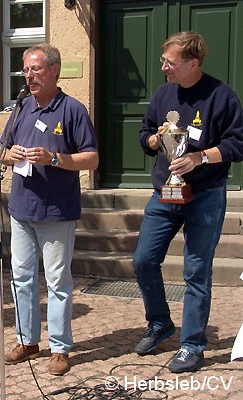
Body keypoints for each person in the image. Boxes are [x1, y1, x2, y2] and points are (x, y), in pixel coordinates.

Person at [133, 31, 243, 373]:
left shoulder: (221, 96)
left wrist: (200, 159)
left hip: (205, 195)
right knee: (143, 260)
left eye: (170, 62)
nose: (164, 67)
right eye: (164, 61)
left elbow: (237, 145)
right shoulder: (163, 93)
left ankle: (192, 345)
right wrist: (155, 139)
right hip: (165, 192)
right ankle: (160, 323)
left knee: (196, 270)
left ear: (193, 63)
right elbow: (144, 134)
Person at [0, 43, 98, 375]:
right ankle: (27, 341)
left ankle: (60, 348)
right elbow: (2, 153)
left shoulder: (72, 109)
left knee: (57, 282)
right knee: (21, 278)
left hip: (56, 210)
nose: (29, 76)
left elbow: (92, 158)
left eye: (36, 69)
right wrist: (8, 156)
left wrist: (54, 158)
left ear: (54, 70)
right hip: (21, 208)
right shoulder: (21, 107)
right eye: (26, 69)